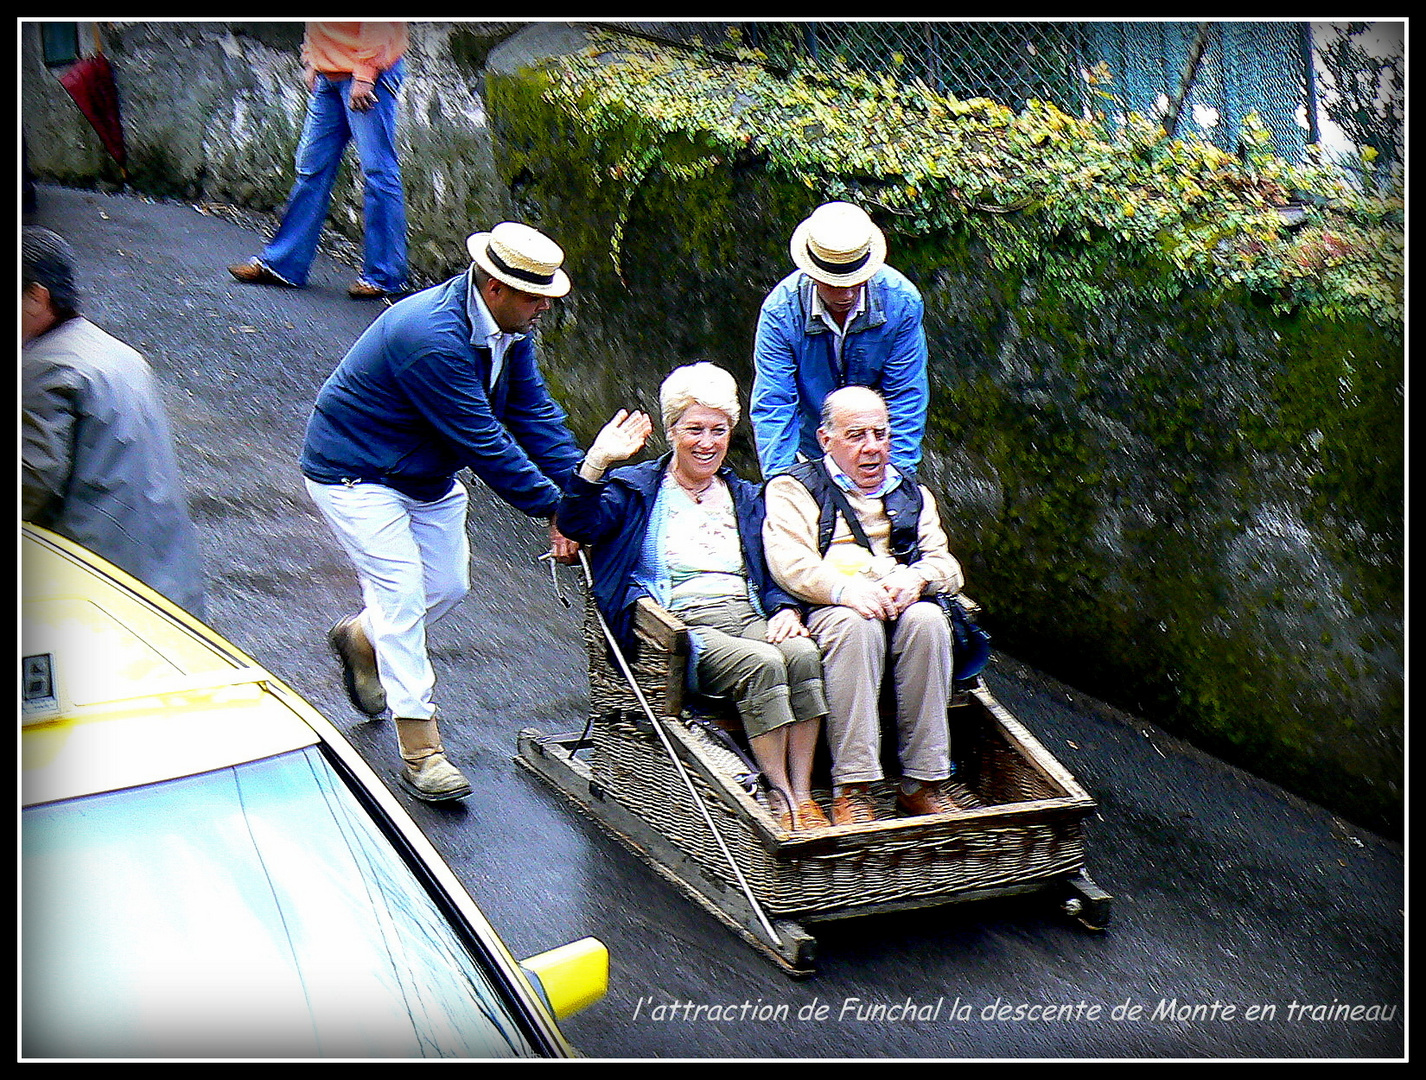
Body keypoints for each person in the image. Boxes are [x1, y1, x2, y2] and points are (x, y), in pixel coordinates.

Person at [301, 221, 585, 803]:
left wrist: (583, 493)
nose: (541, 309)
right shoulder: (431, 337)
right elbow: (486, 442)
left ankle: (362, 636)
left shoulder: (512, 330)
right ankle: (421, 750)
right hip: (356, 471)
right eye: (534, 297)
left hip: (425, 472)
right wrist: (554, 508)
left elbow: (533, 415)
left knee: (448, 587)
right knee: (402, 596)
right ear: (494, 287)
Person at [558, 363, 832, 832]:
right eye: (694, 429)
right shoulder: (638, 490)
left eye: (718, 430)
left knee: (803, 653)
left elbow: (772, 564)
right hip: (683, 622)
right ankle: (779, 795)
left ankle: (804, 795)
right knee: (763, 665)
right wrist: (598, 461)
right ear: (671, 432)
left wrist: (786, 607)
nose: (707, 442)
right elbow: (579, 524)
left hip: (747, 610)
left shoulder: (745, 496)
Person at [762, 386, 967, 826]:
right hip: (830, 606)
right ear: (825, 439)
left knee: (929, 620)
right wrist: (845, 589)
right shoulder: (793, 489)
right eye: (857, 435)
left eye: (881, 434)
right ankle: (852, 788)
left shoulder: (912, 494)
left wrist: (917, 578)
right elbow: (790, 563)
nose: (872, 447)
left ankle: (923, 783)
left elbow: (945, 562)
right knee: (856, 627)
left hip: (896, 602)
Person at [22, 226, 207, 618]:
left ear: (37, 297)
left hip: (96, 588)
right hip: (169, 580)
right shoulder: (115, 353)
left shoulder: (43, 367)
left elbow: (30, 485)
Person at [750, 200, 930, 480]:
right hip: (809, 449)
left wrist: (898, 479)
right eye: (833, 282)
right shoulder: (780, 312)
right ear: (811, 273)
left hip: (876, 451)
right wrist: (781, 484)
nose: (846, 293)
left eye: (855, 280)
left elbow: (905, 397)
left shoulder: (901, 302)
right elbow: (774, 404)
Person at [228, 22, 408, 300]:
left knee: (377, 172)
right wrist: (313, 58)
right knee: (311, 169)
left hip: (368, 75)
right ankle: (284, 265)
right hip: (330, 74)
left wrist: (365, 74)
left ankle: (384, 276)